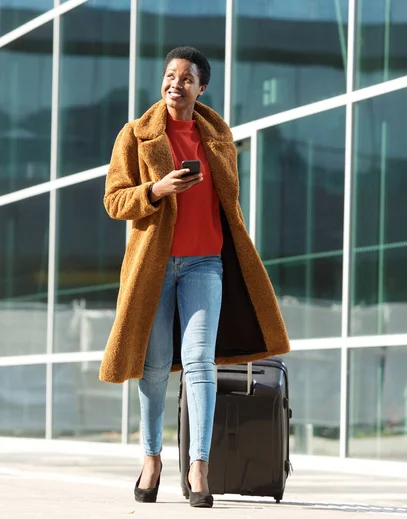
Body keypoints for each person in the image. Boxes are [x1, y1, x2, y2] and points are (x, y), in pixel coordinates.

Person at [99, 46, 290, 508]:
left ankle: (198, 465)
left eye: (186, 78)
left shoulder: (218, 138)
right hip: (154, 267)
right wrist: (156, 190)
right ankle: (151, 458)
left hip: (207, 263)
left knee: (201, 362)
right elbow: (114, 201)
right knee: (154, 367)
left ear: (201, 87)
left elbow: (230, 203)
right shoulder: (135, 135)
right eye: (169, 75)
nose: (175, 83)